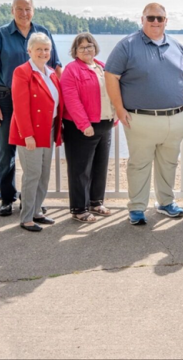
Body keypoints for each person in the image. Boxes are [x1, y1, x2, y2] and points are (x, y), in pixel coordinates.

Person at [105, 3, 183, 226]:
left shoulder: (176, 45)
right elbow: (111, 75)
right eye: (150, 18)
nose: (155, 22)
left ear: (166, 21)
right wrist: (119, 108)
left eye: (160, 18)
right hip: (140, 119)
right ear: (141, 19)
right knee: (139, 164)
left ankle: (166, 203)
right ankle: (137, 208)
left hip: (176, 117)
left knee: (169, 163)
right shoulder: (127, 45)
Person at [0, 0, 62, 217]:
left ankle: (32, 203)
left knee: (37, 150)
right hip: (7, 100)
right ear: (12, 11)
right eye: (19, 9)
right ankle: (7, 198)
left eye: (27, 9)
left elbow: (55, 66)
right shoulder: (0, 34)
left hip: (39, 102)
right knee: (5, 151)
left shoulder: (43, 33)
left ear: (33, 10)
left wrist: (60, 101)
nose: (24, 13)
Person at [9, 33, 63, 232]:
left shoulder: (50, 72)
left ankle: (37, 211)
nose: (43, 52)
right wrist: (27, 135)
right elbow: (20, 106)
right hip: (30, 132)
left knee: (44, 173)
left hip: (48, 129)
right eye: (38, 49)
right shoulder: (22, 72)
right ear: (29, 50)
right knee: (32, 174)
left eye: (46, 49)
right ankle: (26, 218)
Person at [60, 33, 116, 223]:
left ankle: (95, 202)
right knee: (80, 169)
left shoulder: (102, 67)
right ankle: (79, 208)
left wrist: (115, 115)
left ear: (95, 47)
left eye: (89, 46)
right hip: (81, 127)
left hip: (104, 124)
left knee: (100, 166)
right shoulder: (71, 70)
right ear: (75, 51)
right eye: (82, 47)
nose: (86, 50)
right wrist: (84, 124)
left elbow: (113, 92)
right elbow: (72, 100)